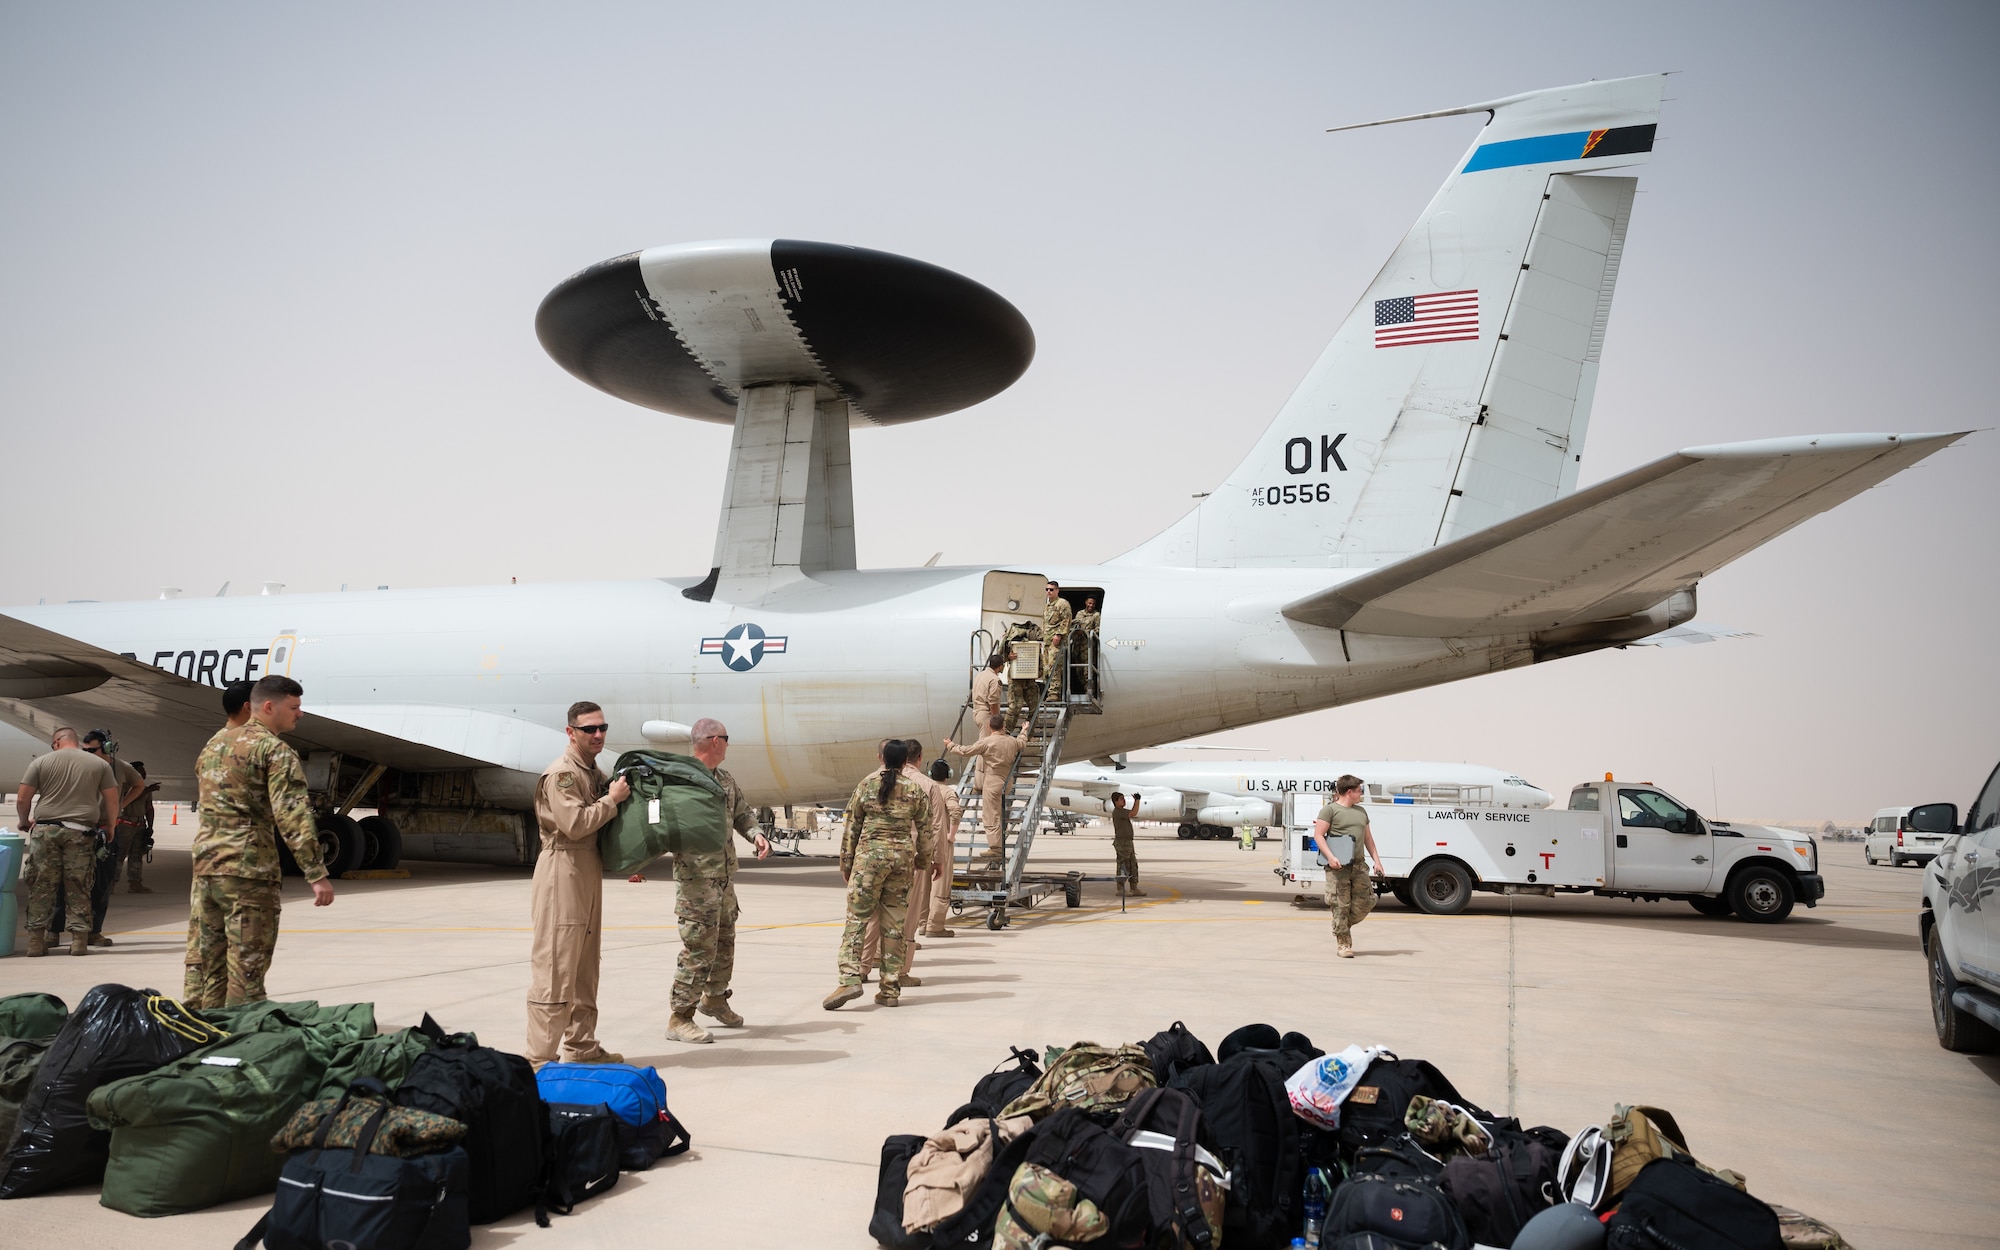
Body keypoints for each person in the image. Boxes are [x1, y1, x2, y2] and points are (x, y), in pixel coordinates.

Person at [187, 676, 335, 1006]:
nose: (299, 714)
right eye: (294, 707)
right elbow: (292, 815)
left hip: (206, 869)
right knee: (246, 967)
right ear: (269, 707)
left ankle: (197, 1031)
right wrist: (316, 873)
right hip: (248, 871)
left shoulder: (215, 744)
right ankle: (243, 1038)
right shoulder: (275, 751)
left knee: (205, 960)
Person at [526, 700, 628, 1065]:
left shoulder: (591, 770)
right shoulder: (562, 775)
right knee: (556, 967)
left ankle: (581, 1048)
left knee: (585, 966)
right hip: (562, 868)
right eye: (589, 729)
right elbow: (575, 824)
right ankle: (539, 1060)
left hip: (587, 867)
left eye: (602, 728)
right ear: (571, 732)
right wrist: (612, 800)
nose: (598, 735)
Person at [666, 718, 771, 1045]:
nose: (728, 743)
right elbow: (664, 824)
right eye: (726, 738)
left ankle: (714, 999)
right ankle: (679, 1017)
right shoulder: (680, 779)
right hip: (696, 881)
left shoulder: (724, 778)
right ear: (714, 741)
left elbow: (742, 813)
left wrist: (756, 834)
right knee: (699, 948)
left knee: (725, 944)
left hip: (724, 877)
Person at [826, 740, 934, 1010]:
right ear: (904, 761)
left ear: (881, 758)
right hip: (901, 862)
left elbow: (851, 826)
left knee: (857, 920)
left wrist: (846, 864)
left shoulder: (866, 785)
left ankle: (850, 978)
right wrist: (922, 860)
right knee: (894, 926)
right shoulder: (914, 789)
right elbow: (926, 830)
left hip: (869, 860)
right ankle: (889, 989)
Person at [14, 727, 119, 957]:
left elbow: (23, 797)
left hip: (46, 830)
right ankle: (79, 942)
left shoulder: (41, 763)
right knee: (79, 886)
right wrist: (110, 826)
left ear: (57, 742)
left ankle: (35, 943)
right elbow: (112, 800)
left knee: (42, 886)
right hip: (80, 831)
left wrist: (24, 821)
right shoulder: (99, 764)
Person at [862, 740, 949, 981]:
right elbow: (936, 827)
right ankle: (899, 971)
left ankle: (866, 963)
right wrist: (937, 859)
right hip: (910, 855)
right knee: (908, 914)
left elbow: (856, 823)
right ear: (918, 759)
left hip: (872, 854)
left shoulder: (869, 781)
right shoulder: (926, 786)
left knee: (875, 910)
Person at [64, 729, 145, 945]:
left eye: (93, 750)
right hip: (81, 828)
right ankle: (65, 932)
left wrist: (120, 806)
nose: (88, 753)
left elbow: (139, 785)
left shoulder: (120, 767)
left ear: (107, 748)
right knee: (74, 882)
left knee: (102, 882)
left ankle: (94, 931)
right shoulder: (80, 765)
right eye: (85, 750)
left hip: (107, 829)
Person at [1311, 774, 1386, 958]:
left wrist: (1377, 861)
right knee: (1340, 905)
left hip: (1359, 865)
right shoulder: (1329, 811)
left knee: (1367, 901)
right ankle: (1343, 944)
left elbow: (1368, 838)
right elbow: (1318, 835)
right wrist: (1330, 857)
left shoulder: (1361, 812)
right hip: (1338, 866)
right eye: (1360, 790)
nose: (1362, 793)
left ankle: (1341, 924)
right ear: (1349, 791)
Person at [945, 715, 1023, 865]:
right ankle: (998, 843)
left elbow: (965, 751)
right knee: (997, 814)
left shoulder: (986, 742)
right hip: (1006, 782)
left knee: (990, 815)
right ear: (1003, 726)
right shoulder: (1012, 741)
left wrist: (950, 745)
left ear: (989, 728)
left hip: (992, 782)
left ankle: (995, 848)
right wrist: (1024, 730)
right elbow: (1022, 742)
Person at [921, 757, 962, 938]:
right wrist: (951, 836)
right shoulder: (947, 792)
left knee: (922, 886)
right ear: (949, 775)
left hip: (924, 841)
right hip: (942, 844)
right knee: (941, 885)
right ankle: (935, 926)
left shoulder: (924, 789)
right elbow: (955, 812)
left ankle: (922, 924)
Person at [119, 760, 159, 893]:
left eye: (144, 772)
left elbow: (149, 808)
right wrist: (147, 789)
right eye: (140, 772)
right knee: (119, 855)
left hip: (140, 824)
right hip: (125, 824)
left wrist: (150, 826)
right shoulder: (125, 787)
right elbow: (129, 799)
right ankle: (111, 883)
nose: (144, 774)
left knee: (136, 856)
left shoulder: (145, 788)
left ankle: (135, 883)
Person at [1109, 791, 1146, 897]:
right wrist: (1137, 801)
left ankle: (1134, 887)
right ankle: (1120, 888)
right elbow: (1133, 813)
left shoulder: (1121, 811)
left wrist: (1136, 801)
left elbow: (1132, 812)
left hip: (1128, 842)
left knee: (1132, 865)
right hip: (1122, 842)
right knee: (1123, 865)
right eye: (1121, 799)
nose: (1123, 800)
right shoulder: (1118, 811)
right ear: (1116, 802)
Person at [1042, 580, 1074, 699]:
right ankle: (1048, 691)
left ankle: (1054, 693)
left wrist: (1059, 635)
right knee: (1046, 667)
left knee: (1054, 665)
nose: (1049, 592)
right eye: (1047, 590)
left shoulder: (1062, 603)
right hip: (1047, 641)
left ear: (1057, 590)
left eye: (1051, 589)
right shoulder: (1047, 606)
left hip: (1056, 642)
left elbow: (1066, 620)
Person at [970, 653, 1006, 750]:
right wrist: (996, 720)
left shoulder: (980, 674)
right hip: (986, 714)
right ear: (1000, 666)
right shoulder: (994, 680)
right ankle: (981, 765)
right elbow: (993, 703)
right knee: (985, 747)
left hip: (977, 711)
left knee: (985, 744)